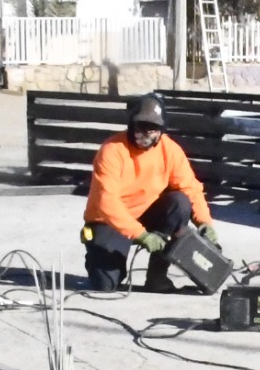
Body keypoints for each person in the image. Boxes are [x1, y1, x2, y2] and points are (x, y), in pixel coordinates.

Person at [82, 93, 214, 291]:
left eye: (152, 129)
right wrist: (141, 235)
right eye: (140, 127)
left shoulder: (169, 150)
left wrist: (205, 222)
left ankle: (157, 277)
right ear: (131, 124)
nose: (145, 134)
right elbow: (107, 202)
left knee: (180, 202)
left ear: (161, 130)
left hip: (148, 213)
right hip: (110, 221)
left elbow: (190, 187)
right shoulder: (112, 150)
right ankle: (99, 258)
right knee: (106, 285)